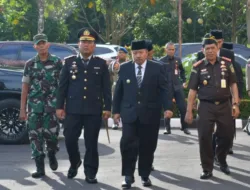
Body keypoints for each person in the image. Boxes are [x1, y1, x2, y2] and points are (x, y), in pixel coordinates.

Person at [112, 40, 173, 189]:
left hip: (150, 113)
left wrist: (168, 108)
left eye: (140, 52)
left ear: (147, 53)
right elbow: (118, 91)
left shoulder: (158, 68)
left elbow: (164, 89)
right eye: (135, 53)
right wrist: (116, 111)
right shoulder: (125, 68)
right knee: (127, 144)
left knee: (148, 145)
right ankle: (128, 176)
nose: (138, 56)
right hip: (129, 113)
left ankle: (145, 175)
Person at [56, 27, 111, 183]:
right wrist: (59, 107)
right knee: (69, 139)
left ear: (94, 45)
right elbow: (62, 87)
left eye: (90, 42)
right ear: (78, 44)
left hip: (93, 110)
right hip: (73, 109)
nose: (86, 45)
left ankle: (90, 172)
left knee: (91, 143)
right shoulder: (68, 62)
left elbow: (106, 88)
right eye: (83, 42)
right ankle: (75, 162)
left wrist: (108, 107)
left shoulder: (101, 64)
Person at [185, 33, 240, 179]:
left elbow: (233, 84)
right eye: (207, 48)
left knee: (227, 136)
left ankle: (221, 159)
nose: (210, 51)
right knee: (204, 137)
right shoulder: (198, 67)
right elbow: (192, 91)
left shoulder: (227, 64)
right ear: (203, 50)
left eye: (212, 48)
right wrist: (188, 111)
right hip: (205, 107)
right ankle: (207, 168)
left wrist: (236, 104)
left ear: (217, 48)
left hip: (224, 106)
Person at [19, 33, 62, 178]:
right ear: (35, 46)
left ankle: (52, 153)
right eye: (39, 44)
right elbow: (25, 87)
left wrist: (63, 106)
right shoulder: (29, 64)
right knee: (34, 137)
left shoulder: (57, 62)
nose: (41, 46)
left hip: (52, 107)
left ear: (48, 44)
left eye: (44, 43)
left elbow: (63, 87)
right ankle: (39, 167)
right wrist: (22, 109)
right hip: (34, 107)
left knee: (52, 136)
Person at [196, 30, 242, 155]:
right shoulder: (202, 54)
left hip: (225, 97)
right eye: (216, 42)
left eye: (220, 42)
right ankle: (210, 154)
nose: (211, 50)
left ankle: (227, 147)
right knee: (207, 131)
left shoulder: (228, 54)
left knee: (227, 129)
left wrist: (236, 99)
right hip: (207, 99)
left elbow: (234, 77)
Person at [160, 42, 190, 135]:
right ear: (166, 50)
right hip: (167, 88)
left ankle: (184, 127)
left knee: (182, 107)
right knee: (167, 108)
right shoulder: (161, 61)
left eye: (173, 49)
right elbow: (158, 75)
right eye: (170, 49)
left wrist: (184, 80)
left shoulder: (178, 60)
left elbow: (182, 71)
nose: (172, 51)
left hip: (177, 86)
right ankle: (167, 128)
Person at [108, 47, 128, 129]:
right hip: (116, 86)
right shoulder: (113, 63)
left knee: (127, 104)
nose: (121, 54)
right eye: (119, 52)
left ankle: (126, 121)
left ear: (126, 54)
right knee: (115, 104)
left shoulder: (130, 63)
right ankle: (115, 122)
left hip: (127, 86)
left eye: (122, 53)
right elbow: (109, 74)